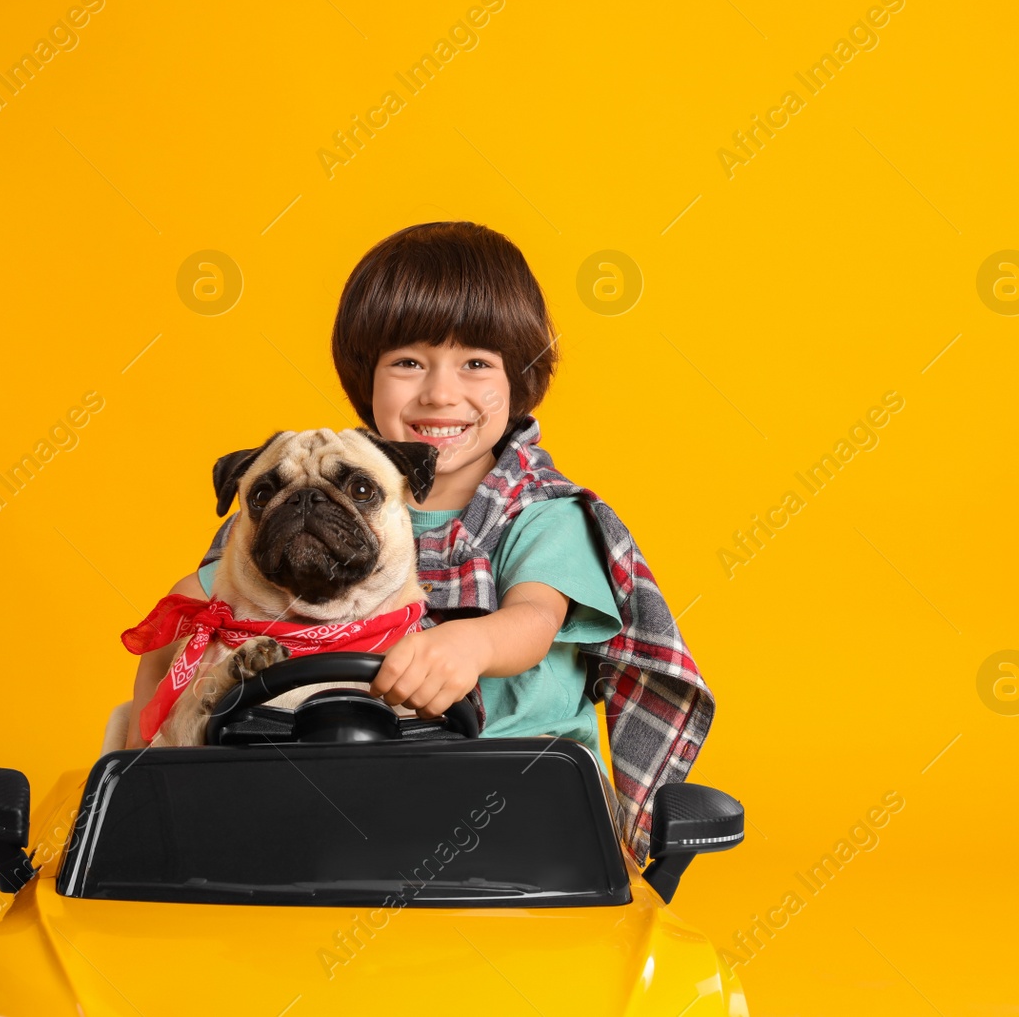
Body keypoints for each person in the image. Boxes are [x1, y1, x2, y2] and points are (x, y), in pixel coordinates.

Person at [125, 221, 713, 861]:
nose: (439, 392)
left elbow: (535, 620)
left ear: (521, 379)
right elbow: (183, 610)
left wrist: (473, 640)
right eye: (408, 362)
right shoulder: (306, 489)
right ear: (364, 376)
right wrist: (145, 756)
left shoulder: (541, 514)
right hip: (333, 803)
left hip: (518, 800)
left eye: (476, 363)